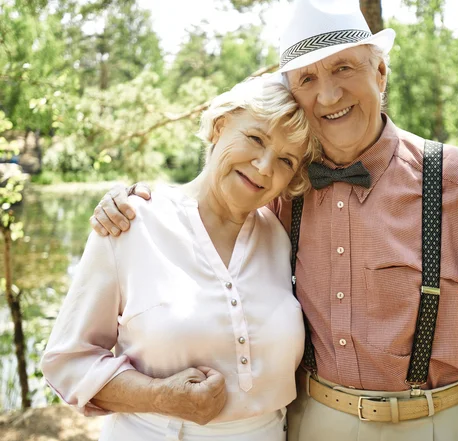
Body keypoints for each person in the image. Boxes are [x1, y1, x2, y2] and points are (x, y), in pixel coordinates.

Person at [89, 1, 458, 440]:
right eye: (307, 79)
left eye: (343, 68)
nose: (329, 93)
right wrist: (132, 200)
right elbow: (205, 211)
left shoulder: (453, 181)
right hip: (313, 424)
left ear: (380, 72)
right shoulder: (279, 192)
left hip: (437, 423)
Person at [41, 75, 321, 441]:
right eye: (255, 139)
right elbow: (68, 362)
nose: (265, 167)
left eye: (285, 160)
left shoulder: (281, 235)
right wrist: (159, 397)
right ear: (220, 126)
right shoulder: (131, 222)